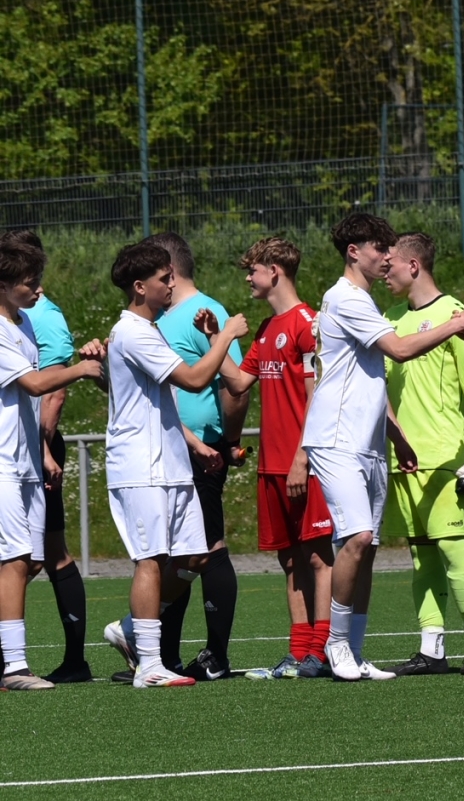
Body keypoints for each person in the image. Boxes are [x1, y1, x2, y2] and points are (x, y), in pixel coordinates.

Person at [302, 212, 464, 682]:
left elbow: (369, 377)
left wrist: (397, 436)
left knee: (366, 548)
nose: (387, 257)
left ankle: (354, 652)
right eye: (379, 248)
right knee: (358, 538)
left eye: (389, 249)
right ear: (354, 252)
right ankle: (336, 644)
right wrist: (455, 323)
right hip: (337, 439)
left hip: (368, 442)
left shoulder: (363, 301)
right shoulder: (346, 298)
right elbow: (400, 350)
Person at [100, 240, 247, 688]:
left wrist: (194, 444)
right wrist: (226, 334)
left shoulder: (150, 329)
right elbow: (195, 379)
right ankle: (149, 665)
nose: (171, 285)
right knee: (151, 559)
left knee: (195, 555)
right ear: (140, 287)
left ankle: (130, 629)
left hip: (169, 462)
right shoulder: (134, 332)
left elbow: (160, 400)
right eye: (164, 279)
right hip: (141, 464)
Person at [381, 232, 464, 675]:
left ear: (413, 266)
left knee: (452, 548)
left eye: (391, 263)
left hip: (443, 456)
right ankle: (431, 648)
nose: (384, 271)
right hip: (402, 459)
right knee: (421, 556)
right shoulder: (390, 319)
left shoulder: (455, 315)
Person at [225, 237, 334, 679]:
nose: (248, 279)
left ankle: (322, 651)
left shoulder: (308, 323)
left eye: (252, 270)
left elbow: (317, 397)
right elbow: (238, 383)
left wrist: (302, 457)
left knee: (318, 557)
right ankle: (298, 650)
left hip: (302, 462)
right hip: (270, 464)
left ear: (275, 271)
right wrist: (216, 339)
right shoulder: (268, 328)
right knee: (289, 560)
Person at [0, 237, 103, 689]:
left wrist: (40, 451)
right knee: (15, 558)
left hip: (25, 459)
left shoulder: (22, 322)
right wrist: (80, 368)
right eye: (29, 281)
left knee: (34, 561)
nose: (38, 288)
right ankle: (14, 667)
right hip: (3, 462)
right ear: (3, 285)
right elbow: (35, 384)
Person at [145, 231, 245, 681]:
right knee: (177, 553)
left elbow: (235, 385)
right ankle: (163, 656)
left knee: (208, 548)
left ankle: (216, 656)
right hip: (170, 449)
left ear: (167, 270)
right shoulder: (160, 317)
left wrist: (228, 440)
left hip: (201, 449)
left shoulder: (206, 312)